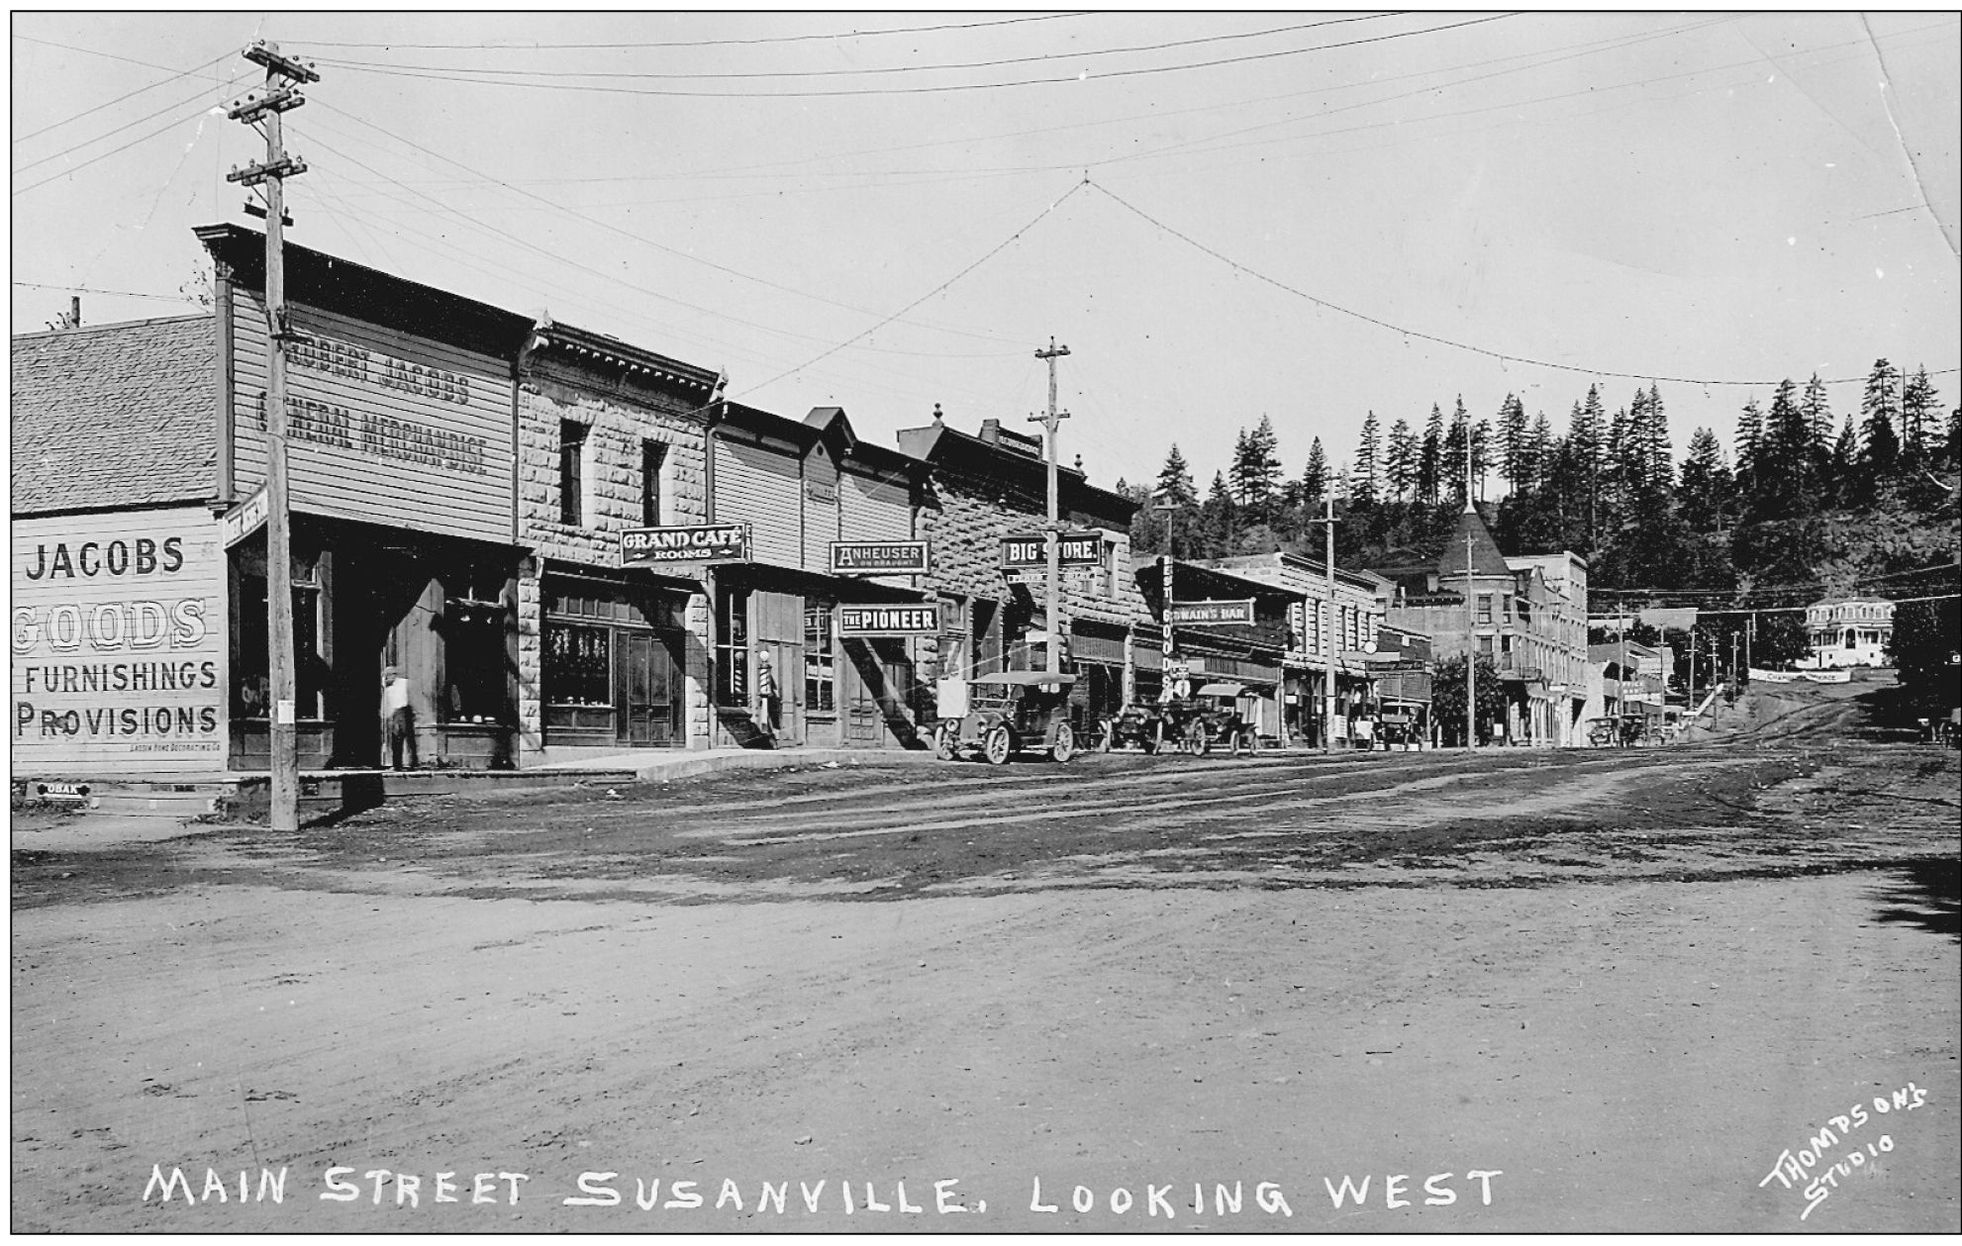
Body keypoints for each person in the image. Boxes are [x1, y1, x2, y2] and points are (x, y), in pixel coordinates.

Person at [383, 665, 417, 771]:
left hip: (403, 711)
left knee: (405, 739)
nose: (388, 678)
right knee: (397, 740)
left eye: (389, 675)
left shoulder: (404, 683)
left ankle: (410, 763)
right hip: (395, 714)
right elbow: (387, 704)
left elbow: (412, 696)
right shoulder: (388, 688)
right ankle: (399, 764)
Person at [754, 647, 780, 743]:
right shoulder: (770, 692)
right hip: (766, 703)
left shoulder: (772, 695)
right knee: (767, 720)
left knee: (770, 719)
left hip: (769, 704)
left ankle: (772, 736)